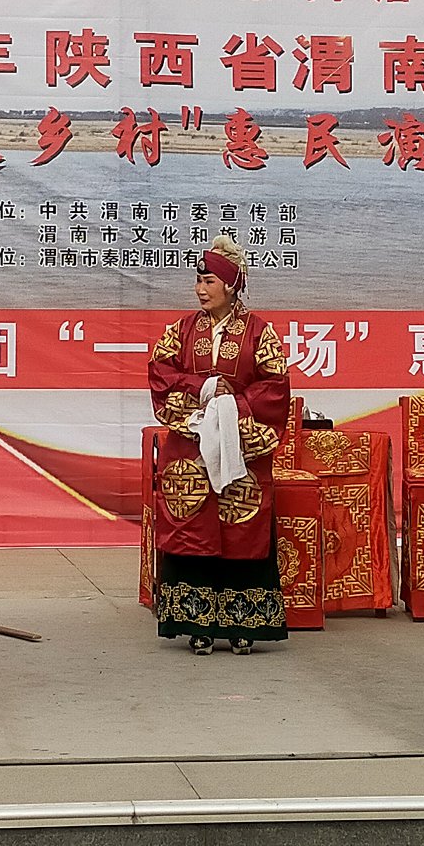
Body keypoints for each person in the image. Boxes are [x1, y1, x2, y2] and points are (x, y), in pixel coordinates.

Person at [147, 235, 291, 655]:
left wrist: (233, 408)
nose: (200, 289)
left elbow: (275, 386)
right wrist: (205, 388)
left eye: (208, 281)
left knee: (240, 530)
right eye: (198, 281)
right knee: (192, 531)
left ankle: (244, 623)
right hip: (190, 448)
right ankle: (196, 622)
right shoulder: (181, 331)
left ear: (230, 285)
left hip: (239, 446)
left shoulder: (260, 333)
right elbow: (160, 373)